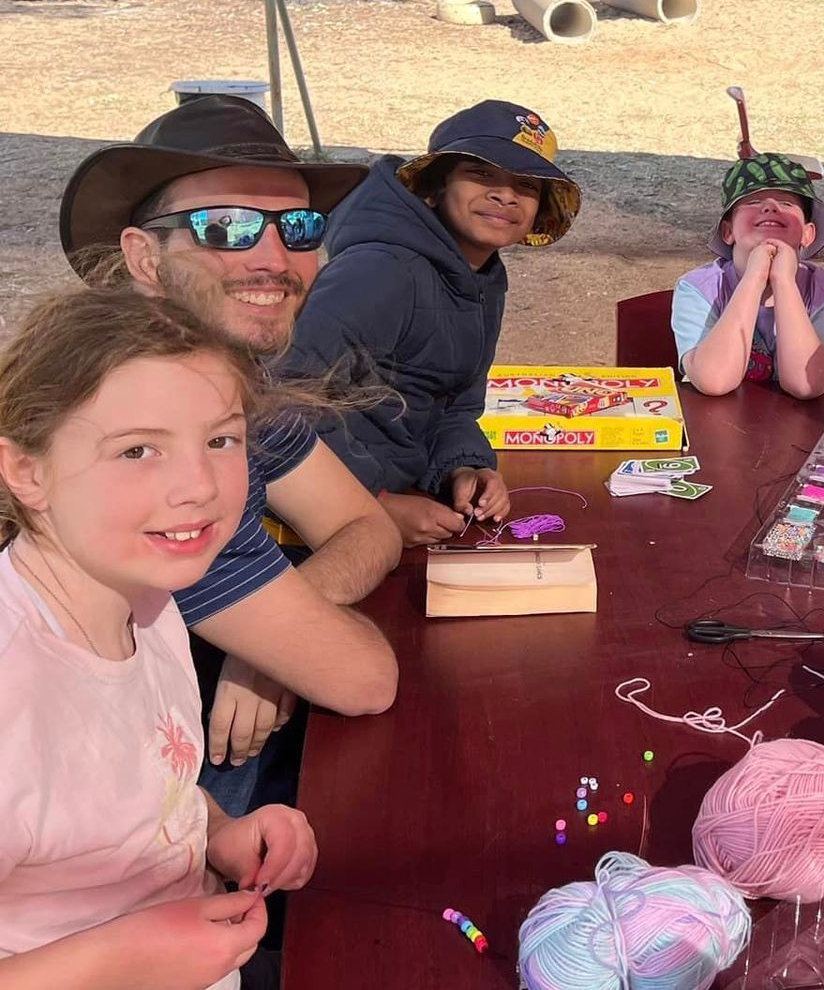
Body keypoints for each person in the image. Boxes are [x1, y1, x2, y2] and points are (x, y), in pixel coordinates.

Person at [58, 95, 399, 807]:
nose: (275, 259)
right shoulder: (138, 418)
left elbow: (366, 526)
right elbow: (362, 677)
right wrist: (287, 640)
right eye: (228, 227)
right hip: (108, 827)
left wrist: (266, 644)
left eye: (300, 227)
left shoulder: (231, 380)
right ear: (144, 256)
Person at [0, 288, 319, 990]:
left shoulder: (143, 599)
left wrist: (220, 833)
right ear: (27, 471)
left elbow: (147, 790)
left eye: (220, 440)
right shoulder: (13, 695)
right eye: (138, 449)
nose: (198, 486)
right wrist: (121, 958)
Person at [282, 101, 580, 546]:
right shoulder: (381, 269)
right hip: (311, 522)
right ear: (434, 187)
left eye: (525, 184)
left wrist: (464, 467)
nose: (505, 195)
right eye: (482, 175)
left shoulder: (482, 279)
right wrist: (372, 502)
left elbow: (454, 404)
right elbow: (284, 395)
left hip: (403, 494)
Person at [673, 148, 824, 400]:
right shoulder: (697, 289)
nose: (770, 207)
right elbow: (713, 380)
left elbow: (806, 384)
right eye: (753, 201)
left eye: (787, 203)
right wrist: (753, 279)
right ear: (728, 231)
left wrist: (783, 282)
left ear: (807, 234)